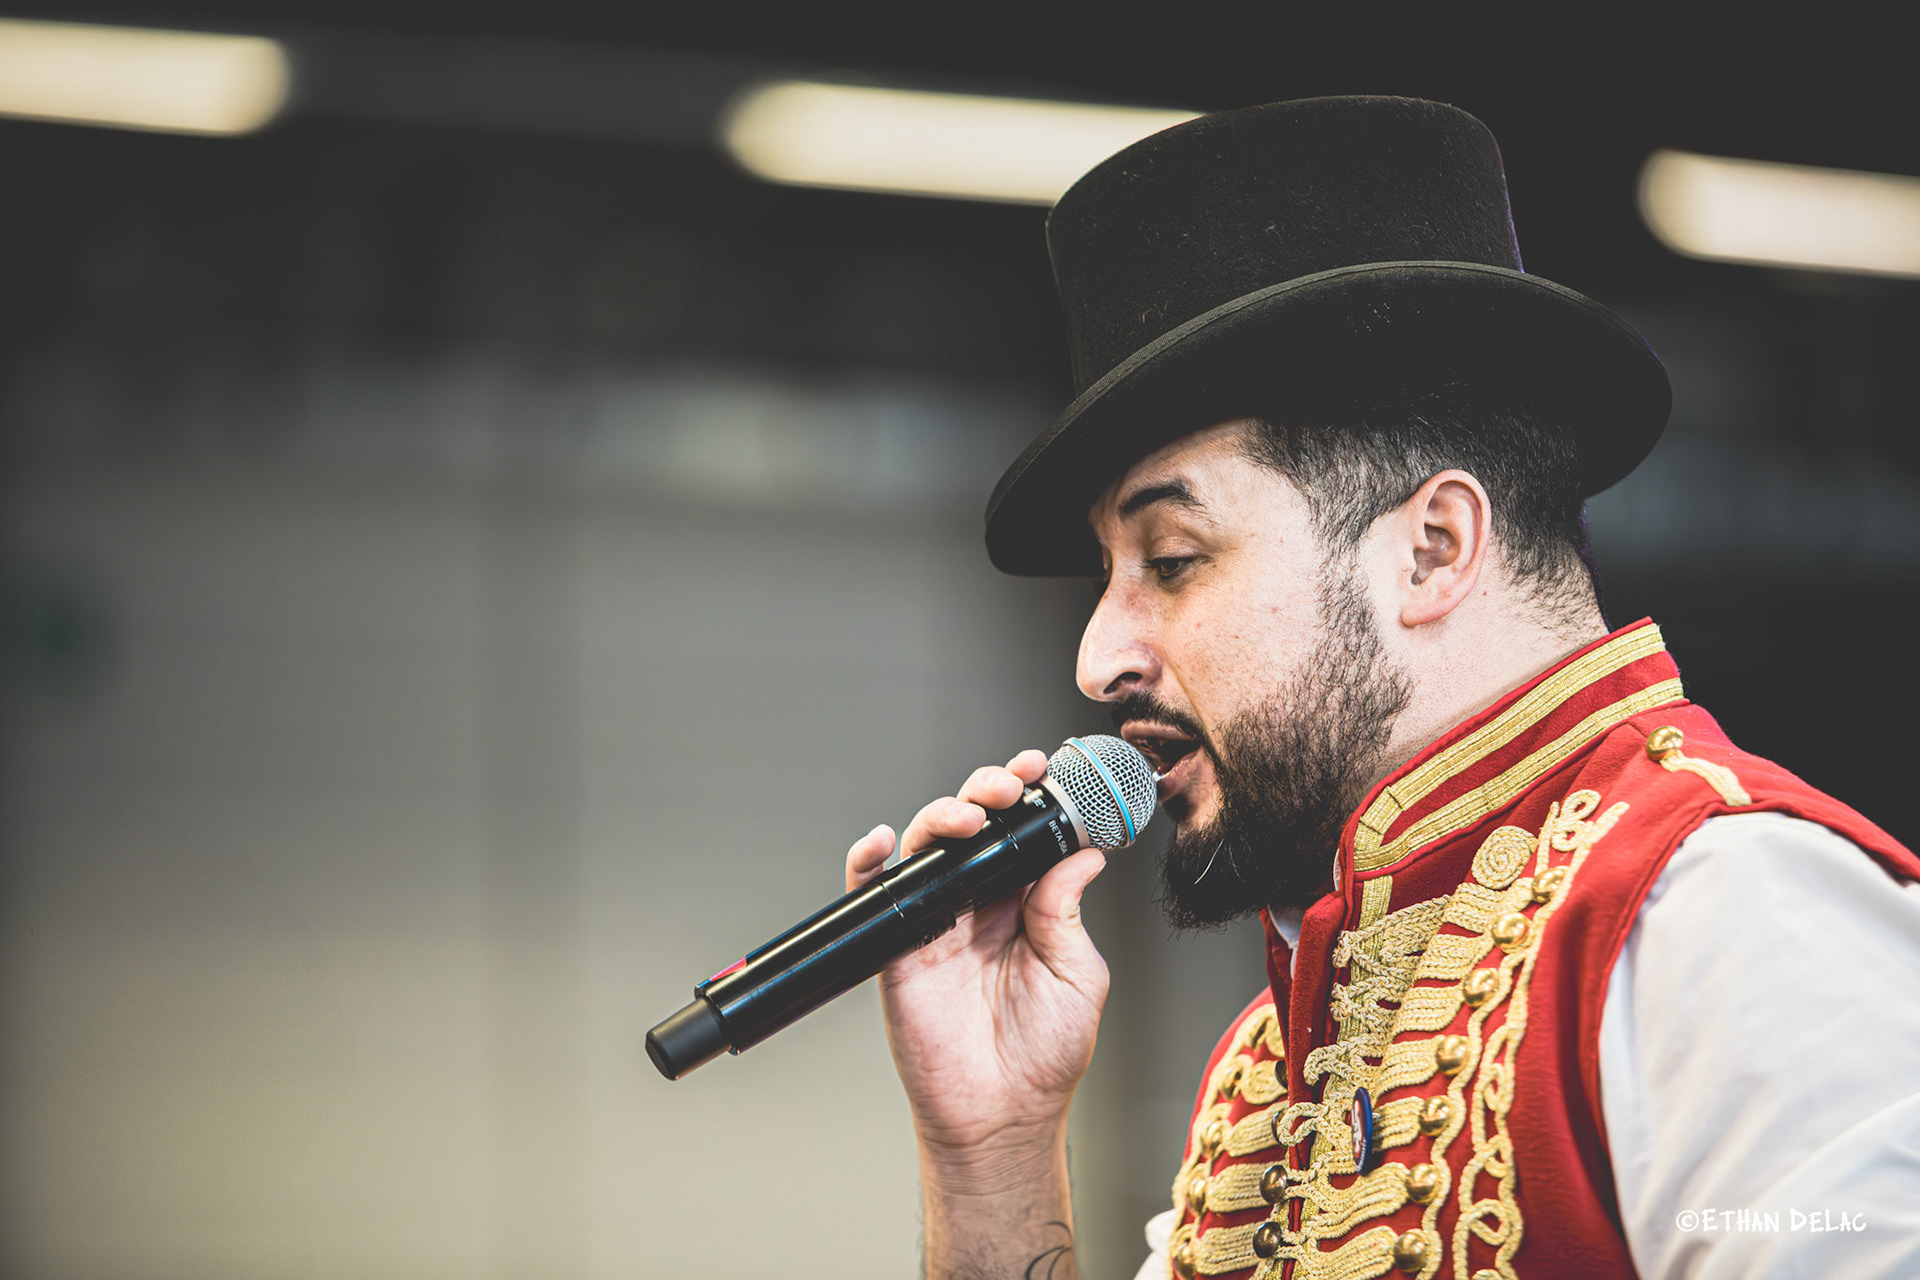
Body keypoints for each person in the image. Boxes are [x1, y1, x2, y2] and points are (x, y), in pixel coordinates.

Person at [841, 97, 1920, 1280]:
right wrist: (992, 1150)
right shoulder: (1271, 1064)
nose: (1099, 656)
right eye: (1110, 574)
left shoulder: (1731, 914)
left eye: (1174, 559)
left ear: (1433, 549)